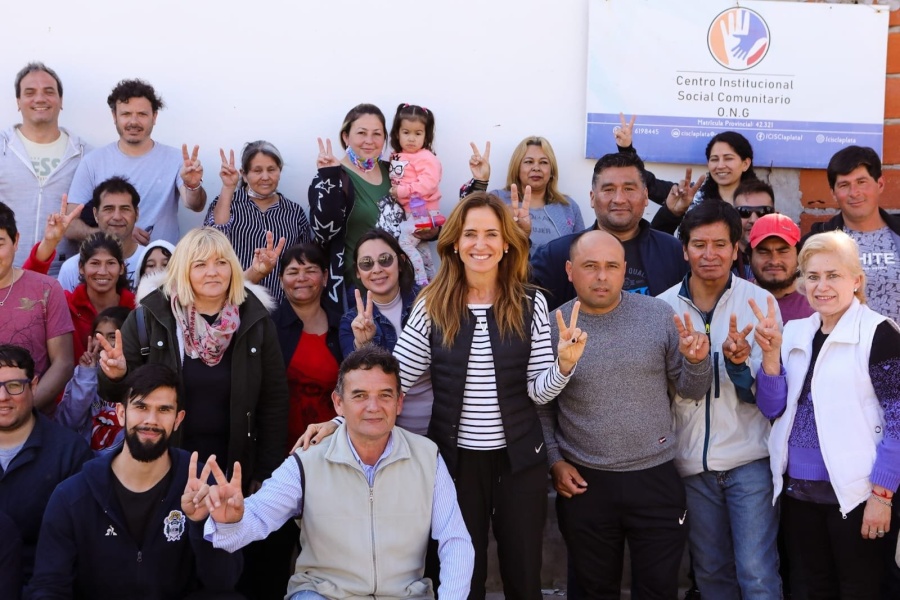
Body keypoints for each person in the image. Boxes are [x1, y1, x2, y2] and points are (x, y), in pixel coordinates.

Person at [392, 192, 584, 599]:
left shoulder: (531, 303)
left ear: (507, 244)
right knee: (462, 577)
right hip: (454, 462)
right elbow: (396, 379)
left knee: (523, 573)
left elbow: (538, 391)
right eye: (471, 234)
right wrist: (341, 418)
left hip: (520, 461)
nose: (481, 244)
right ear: (455, 243)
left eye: (491, 234)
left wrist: (564, 365)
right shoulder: (432, 304)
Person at [95, 226, 288, 599]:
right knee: (167, 562)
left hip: (233, 465)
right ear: (183, 270)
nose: (212, 272)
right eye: (200, 264)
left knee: (224, 569)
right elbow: (121, 396)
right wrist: (116, 374)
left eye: (221, 263)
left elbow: (274, 400)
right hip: (165, 463)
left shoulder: (255, 318)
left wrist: (264, 472)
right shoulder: (150, 317)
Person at [195, 345, 475, 600]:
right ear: (338, 403)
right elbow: (257, 516)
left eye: (385, 395)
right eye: (360, 396)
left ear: (399, 402)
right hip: (324, 594)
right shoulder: (307, 461)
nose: (373, 407)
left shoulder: (427, 457)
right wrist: (230, 521)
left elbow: (456, 542)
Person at [537, 230, 712, 598]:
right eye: (590, 266)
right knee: (592, 590)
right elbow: (540, 406)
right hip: (585, 481)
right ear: (569, 270)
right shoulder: (553, 327)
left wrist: (697, 363)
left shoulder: (658, 315)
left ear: (624, 269)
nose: (602, 276)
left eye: (612, 266)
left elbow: (692, 391)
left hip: (654, 475)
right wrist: (554, 461)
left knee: (658, 589)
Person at [755, 230, 900, 598]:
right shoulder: (795, 332)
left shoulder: (879, 334)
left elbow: (898, 419)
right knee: (809, 589)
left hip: (858, 495)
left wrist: (882, 496)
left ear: (856, 280)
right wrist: (770, 357)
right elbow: (772, 409)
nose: (822, 286)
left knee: (862, 589)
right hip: (798, 494)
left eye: (833, 275)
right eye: (813, 276)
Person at [26, 363, 244, 599]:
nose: (151, 420)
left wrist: (209, 527)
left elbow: (223, 583)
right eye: (141, 407)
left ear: (178, 419)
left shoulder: (202, 485)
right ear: (121, 413)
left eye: (163, 409)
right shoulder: (73, 495)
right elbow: (48, 586)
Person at [657, 199, 783, 598]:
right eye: (699, 244)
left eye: (719, 244)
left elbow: (768, 398)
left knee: (757, 573)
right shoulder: (661, 308)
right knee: (710, 573)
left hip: (750, 460)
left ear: (735, 248)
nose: (709, 254)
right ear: (685, 250)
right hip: (691, 462)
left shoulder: (760, 304)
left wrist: (739, 364)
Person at [309, 103, 438, 320]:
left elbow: (420, 204)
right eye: (361, 133)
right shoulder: (333, 176)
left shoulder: (394, 170)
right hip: (362, 292)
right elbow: (323, 232)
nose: (369, 140)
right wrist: (329, 178)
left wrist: (432, 231)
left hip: (407, 288)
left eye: (377, 134)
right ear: (346, 137)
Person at [531, 152, 688, 310]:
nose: (619, 199)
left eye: (629, 189)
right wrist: (519, 237)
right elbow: (524, 308)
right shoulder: (555, 255)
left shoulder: (673, 252)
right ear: (592, 197)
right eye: (609, 189)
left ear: (645, 196)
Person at [65, 78, 206, 246]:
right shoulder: (93, 162)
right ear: (114, 116)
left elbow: (195, 205)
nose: (133, 122)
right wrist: (114, 234)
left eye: (142, 114)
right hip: (109, 262)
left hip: (162, 261)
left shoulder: (176, 159)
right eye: (126, 114)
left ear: (154, 116)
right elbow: (70, 226)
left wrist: (193, 186)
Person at [0, 344, 91, 593]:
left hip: (45, 587)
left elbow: (79, 545)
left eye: (14, 386)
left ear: (33, 386)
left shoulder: (70, 453)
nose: (3, 397)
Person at [0, 62, 88, 274]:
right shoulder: (2, 147)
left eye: (49, 92)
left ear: (61, 100)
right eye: (30, 92)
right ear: (18, 101)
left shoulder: (85, 155)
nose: (40, 99)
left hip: (61, 275)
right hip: (5, 273)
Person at [206, 141, 311, 302]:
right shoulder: (228, 203)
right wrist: (228, 188)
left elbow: (305, 260)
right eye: (257, 170)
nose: (265, 177)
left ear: (279, 171)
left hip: (280, 305)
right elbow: (212, 241)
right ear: (244, 174)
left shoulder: (294, 212)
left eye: (271, 169)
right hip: (233, 303)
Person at [805, 145, 900, 323]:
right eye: (844, 185)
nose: (854, 193)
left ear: (880, 184)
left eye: (861, 182)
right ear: (833, 193)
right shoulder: (818, 241)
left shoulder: (897, 234)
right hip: (840, 340)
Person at [0, 202, 73, 410]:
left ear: (16, 241)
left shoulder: (46, 289)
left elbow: (63, 363)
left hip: (35, 418)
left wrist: (23, 411)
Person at [463, 136, 585, 253]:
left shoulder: (568, 207)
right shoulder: (498, 199)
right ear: (517, 168)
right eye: (529, 162)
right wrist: (480, 182)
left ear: (552, 170)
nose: (536, 168)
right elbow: (467, 222)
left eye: (543, 162)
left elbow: (581, 251)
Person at [652, 131, 759, 234]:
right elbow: (656, 240)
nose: (720, 166)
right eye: (714, 159)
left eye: (728, 158)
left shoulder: (760, 201)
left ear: (745, 164)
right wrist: (671, 213)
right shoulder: (692, 195)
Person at [55, 306, 130, 453]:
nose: (102, 342)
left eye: (112, 336)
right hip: (87, 459)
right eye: (98, 335)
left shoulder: (138, 373)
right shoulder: (84, 373)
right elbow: (69, 421)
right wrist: (86, 374)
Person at [388, 103, 443, 285]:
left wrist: (402, 191)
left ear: (426, 136)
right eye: (406, 132)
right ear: (397, 133)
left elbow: (428, 184)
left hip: (424, 211)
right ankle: (432, 280)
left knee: (405, 243)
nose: (411, 138)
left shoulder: (426, 157)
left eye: (418, 133)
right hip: (411, 212)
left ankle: (420, 279)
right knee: (422, 248)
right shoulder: (397, 155)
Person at [64, 233, 136, 358]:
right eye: (95, 263)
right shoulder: (66, 305)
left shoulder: (136, 309)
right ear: (81, 267)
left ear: (121, 268)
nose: (102, 271)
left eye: (110, 263)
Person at [749, 213, 813, 323]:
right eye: (764, 252)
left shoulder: (818, 301)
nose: (774, 261)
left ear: (799, 256)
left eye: (783, 251)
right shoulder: (732, 298)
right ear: (749, 257)